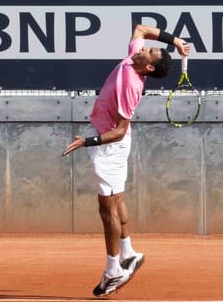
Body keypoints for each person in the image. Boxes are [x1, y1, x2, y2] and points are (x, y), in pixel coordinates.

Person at [62, 24, 190, 297]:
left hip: (111, 145)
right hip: (117, 145)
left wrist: (87, 142)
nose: (143, 48)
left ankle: (113, 270)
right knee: (117, 199)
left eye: (150, 52)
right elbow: (141, 29)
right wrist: (175, 40)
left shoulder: (131, 84)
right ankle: (129, 253)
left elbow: (119, 130)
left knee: (106, 209)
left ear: (150, 68)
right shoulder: (134, 58)